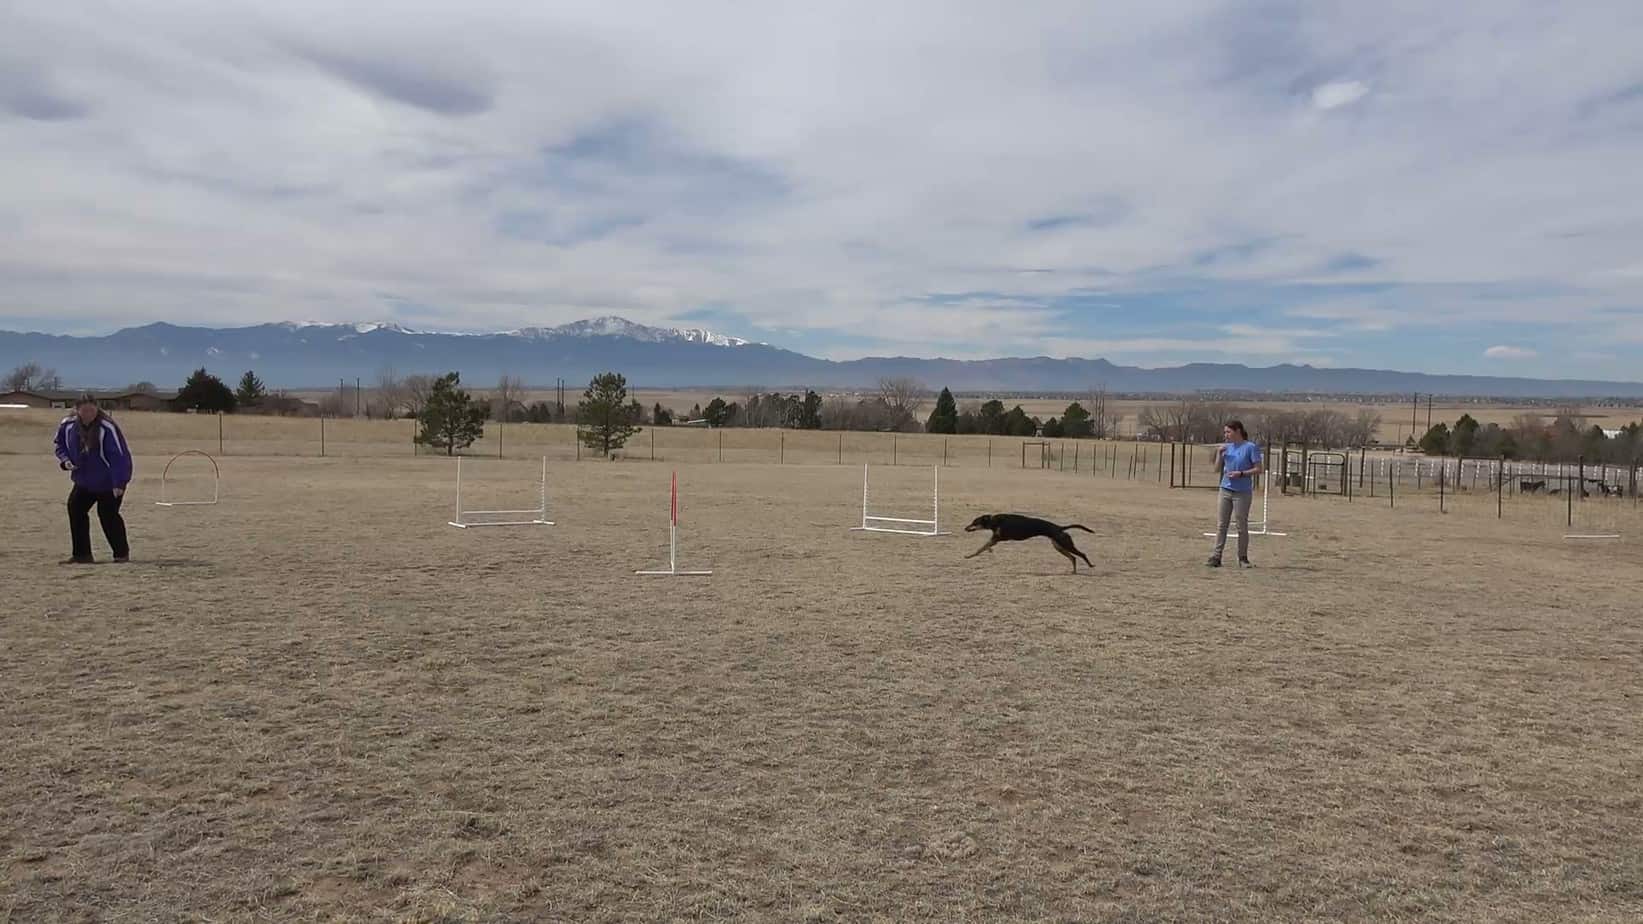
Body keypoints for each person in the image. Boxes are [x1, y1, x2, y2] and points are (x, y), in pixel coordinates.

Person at [53, 393, 134, 564]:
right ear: (77, 410)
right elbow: (60, 445)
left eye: (92, 410)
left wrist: (119, 482)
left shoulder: (107, 428)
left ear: (97, 409)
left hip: (108, 482)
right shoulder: (67, 425)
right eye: (85, 410)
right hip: (84, 481)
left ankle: (121, 554)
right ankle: (82, 555)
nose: (89, 414)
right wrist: (65, 461)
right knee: (75, 509)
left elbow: (120, 456)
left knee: (108, 515)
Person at [1207, 420, 1261, 569]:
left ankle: (1243, 558)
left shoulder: (1250, 447)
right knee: (1221, 524)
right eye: (1225, 432)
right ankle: (1216, 556)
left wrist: (1241, 473)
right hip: (1225, 489)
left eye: (1228, 432)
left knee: (1241, 525)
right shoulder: (1226, 448)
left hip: (1242, 492)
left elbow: (1258, 469)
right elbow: (1217, 469)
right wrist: (1219, 454)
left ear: (1237, 431)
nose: (1226, 435)